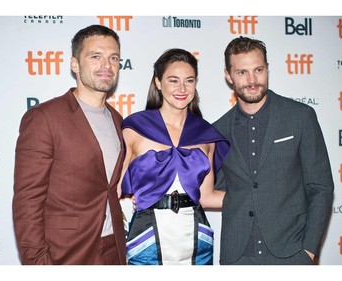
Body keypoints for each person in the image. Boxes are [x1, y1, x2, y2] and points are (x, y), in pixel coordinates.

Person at [212, 36, 334, 265]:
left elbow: (321, 187)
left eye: (258, 70)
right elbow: (215, 188)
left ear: (267, 69)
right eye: (242, 72)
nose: (252, 80)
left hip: (291, 253)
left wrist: (309, 250)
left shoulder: (300, 117)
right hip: (237, 257)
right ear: (228, 76)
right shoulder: (218, 131)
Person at [12, 24, 127, 265]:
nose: (106, 65)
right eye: (95, 56)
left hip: (114, 250)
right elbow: (27, 201)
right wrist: (37, 264)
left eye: (113, 58)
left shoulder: (118, 120)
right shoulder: (45, 117)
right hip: (66, 254)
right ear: (75, 64)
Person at [118, 48, 230, 265]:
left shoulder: (206, 135)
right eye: (173, 80)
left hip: (197, 242)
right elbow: (114, 190)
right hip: (145, 240)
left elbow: (206, 197)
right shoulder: (134, 128)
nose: (182, 88)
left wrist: (258, 199)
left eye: (189, 81)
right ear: (158, 83)